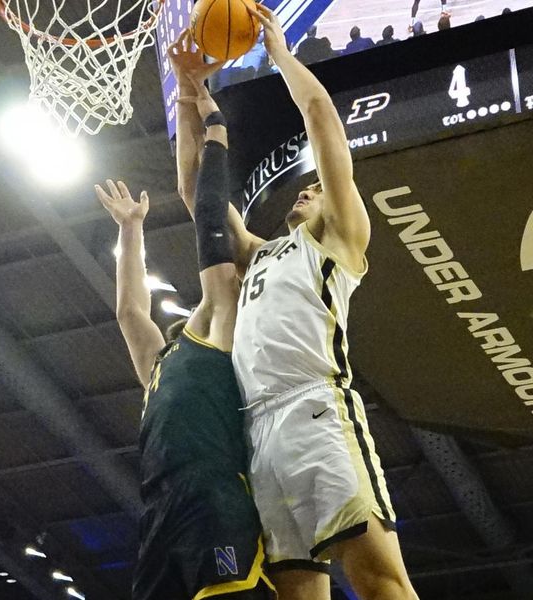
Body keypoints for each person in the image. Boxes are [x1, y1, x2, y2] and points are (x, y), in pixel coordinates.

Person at [177, 4, 419, 600]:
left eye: (317, 188)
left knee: (377, 579)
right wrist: (187, 95)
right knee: (297, 594)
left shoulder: (338, 240)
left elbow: (320, 119)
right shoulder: (258, 253)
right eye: (305, 186)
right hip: (256, 430)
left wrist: (280, 55)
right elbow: (196, 192)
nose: (309, 187)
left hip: (316, 411)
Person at [94, 30, 275, 600]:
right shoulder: (161, 364)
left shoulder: (222, 322)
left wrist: (211, 122)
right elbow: (129, 312)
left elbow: (206, 215)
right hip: (158, 510)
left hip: (213, 497)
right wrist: (130, 231)